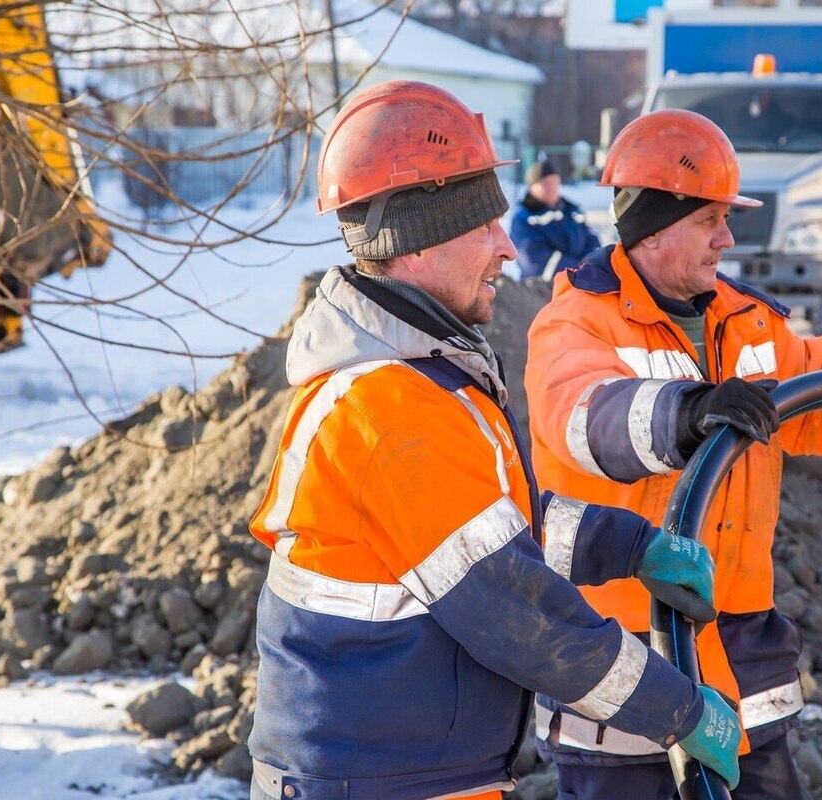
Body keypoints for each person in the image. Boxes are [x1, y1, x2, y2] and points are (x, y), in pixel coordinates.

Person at [247, 82, 746, 800]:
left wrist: (633, 547)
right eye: (485, 226)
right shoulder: (389, 408)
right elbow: (516, 612)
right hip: (375, 785)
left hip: (404, 775)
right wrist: (678, 710)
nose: (508, 248)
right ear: (419, 245)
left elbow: (497, 526)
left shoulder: (425, 379)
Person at [523, 108, 822, 800]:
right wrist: (689, 412)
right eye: (711, 220)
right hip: (624, 670)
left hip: (743, 665)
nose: (728, 238)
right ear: (654, 225)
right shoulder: (576, 324)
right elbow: (588, 418)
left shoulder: (747, 321)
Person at [509, 159, 601, 280]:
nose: (551, 187)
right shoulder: (523, 218)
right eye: (544, 183)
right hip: (541, 289)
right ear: (531, 187)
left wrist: (593, 266)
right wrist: (581, 270)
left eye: (554, 182)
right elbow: (535, 262)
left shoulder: (573, 211)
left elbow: (593, 243)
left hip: (582, 285)